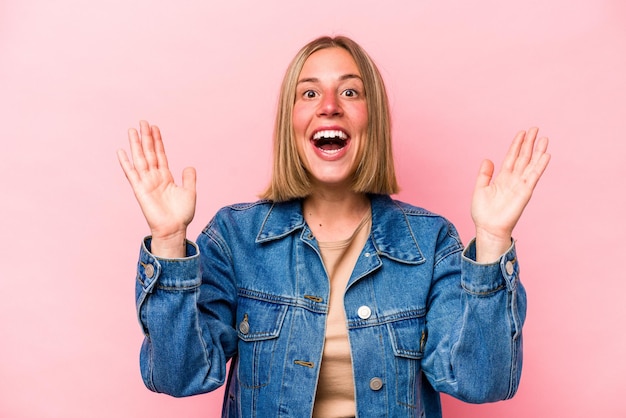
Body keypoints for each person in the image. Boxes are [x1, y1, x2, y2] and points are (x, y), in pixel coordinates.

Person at [117, 35, 550, 418]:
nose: (329, 106)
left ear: (372, 119)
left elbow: (481, 383)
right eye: (309, 93)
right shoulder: (235, 238)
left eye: (349, 91)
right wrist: (170, 242)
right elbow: (180, 376)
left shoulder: (430, 242)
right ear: (291, 123)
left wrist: (492, 243)